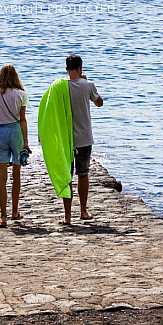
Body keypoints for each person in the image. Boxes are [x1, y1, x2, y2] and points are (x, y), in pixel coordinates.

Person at [0, 64, 31, 228]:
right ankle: (14, 212)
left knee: (2, 177)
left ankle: (3, 217)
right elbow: (22, 119)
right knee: (16, 173)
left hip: (0, 133)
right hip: (16, 132)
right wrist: (25, 141)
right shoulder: (21, 95)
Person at [62, 54, 104, 225]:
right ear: (81, 68)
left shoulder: (61, 87)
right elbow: (99, 102)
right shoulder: (88, 85)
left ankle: (67, 216)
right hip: (84, 137)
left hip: (66, 139)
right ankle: (83, 211)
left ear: (66, 69)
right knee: (83, 174)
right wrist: (87, 83)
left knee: (67, 176)